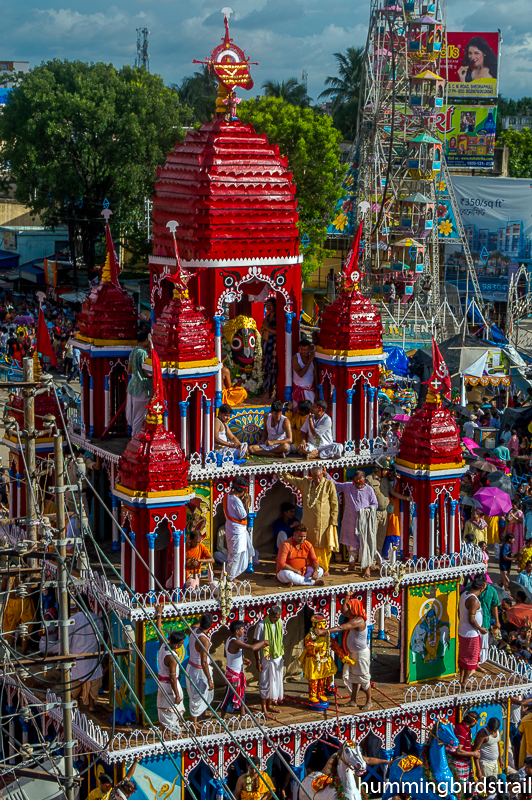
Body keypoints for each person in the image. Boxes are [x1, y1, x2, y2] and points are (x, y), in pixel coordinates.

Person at [281, 465, 339, 572]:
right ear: (311, 476)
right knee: (307, 544)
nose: (317, 479)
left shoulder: (329, 484)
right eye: (315, 477)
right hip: (308, 522)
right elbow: (293, 480)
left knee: (323, 545)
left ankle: (324, 569)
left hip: (324, 523)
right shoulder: (306, 483)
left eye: (319, 477)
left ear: (322, 474)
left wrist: (333, 521)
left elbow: (334, 504)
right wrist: (281, 472)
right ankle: (309, 567)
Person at [328, 595, 372, 711]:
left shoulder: (358, 620)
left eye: (350, 607)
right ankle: (353, 700)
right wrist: (347, 598)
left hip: (361, 654)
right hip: (353, 653)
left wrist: (324, 631)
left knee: (363, 678)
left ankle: (369, 701)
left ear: (355, 608)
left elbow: (342, 627)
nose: (348, 609)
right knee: (353, 677)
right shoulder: (353, 616)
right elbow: (343, 612)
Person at [333, 471, 378, 578]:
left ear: (364, 482)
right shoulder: (348, 486)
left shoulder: (369, 490)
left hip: (364, 524)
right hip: (350, 522)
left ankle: (366, 568)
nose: (359, 486)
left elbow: (375, 504)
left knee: (365, 545)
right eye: (357, 483)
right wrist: (326, 475)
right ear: (353, 481)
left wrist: (367, 510)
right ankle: (352, 565)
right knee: (351, 545)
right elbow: (335, 484)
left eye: (361, 483)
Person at [220, 620, 266, 718]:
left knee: (242, 694)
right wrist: (264, 642)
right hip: (233, 674)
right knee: (230, 696)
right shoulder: (235, 641)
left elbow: (227, 654)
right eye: (242, 629)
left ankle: (243, 713)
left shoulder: (229, 639)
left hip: (237, 672)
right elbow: (252, 647)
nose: (243, 631)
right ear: (237, 631)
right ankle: (222, 718)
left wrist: (242, 659)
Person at [69, 595, 105, 712]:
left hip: (77, 655)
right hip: (92, 655)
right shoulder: (96, 618)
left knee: (76, 681)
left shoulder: (73, 620)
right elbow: (101, 641)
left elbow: (67, 640)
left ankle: (78, 704)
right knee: (93, 680)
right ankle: (91, 705)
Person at [156, 622, 186, 734]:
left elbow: (158, 629)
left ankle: (165, 734)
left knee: (164, 710)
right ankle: (168, 734)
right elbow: (172, 679)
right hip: (170, 687)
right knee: (172, 711)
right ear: (177, 645)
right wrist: (177, 694)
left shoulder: (164, 645)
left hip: (162, 684)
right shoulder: (172, 658)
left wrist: (159, 615)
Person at [254, 605, 284, 714]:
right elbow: (255, 643)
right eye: (275, 617)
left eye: (278, 617)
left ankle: (270, 705)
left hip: (277, 657)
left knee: (275, 682)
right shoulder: (261, 625)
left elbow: (281, 639)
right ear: (270, 615)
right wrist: (257, 661)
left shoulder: (280, 623)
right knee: (265, 682)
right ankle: (264, 709)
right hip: (266, 658)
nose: (277, 619)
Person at [186, 613, 215, 726]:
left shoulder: (194, 630)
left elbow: (195, 625)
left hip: (191, 667)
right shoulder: (205, 641)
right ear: (210, 626)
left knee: (194, 695)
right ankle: (193, 723)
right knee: (198, 696)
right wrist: (209, 679)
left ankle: (195, 720)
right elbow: (204, 662)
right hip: (199, 671)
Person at [458, 576, 487, 687]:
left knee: (463, 656)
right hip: (471, 633)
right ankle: (464, 681)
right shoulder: (473, 600)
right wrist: (480, 629)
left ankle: (461, 679)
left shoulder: (464, 595)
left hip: (463, 630)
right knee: (470, 660)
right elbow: (471, 619)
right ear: (482, 588)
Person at [223, 477, 254, 581]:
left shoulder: (227, 496)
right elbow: (243, 516)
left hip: (230, 529)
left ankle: (231, 576)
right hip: (237, 532)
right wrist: (245, 503)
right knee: (236, 555)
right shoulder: (236, 500)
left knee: (232, 553)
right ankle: (230, 578)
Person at [126, 332, 151, 436]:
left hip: (133, 385)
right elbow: (146, 372)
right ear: (145, 340)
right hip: (142, 386)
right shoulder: (143, 353)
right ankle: (135, 437)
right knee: (140, 415)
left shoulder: (133, 351)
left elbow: (129, 370)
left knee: (133, 413)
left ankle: (134, 435)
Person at [367, 457, 392, 553]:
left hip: (384, 512)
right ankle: (371, 559)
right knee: (372, 536)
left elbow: (392, 492)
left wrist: (406, 498)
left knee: (381, 536)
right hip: (375, 513)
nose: (386, 472)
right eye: (385, 469)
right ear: (378, 469)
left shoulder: (385, 480)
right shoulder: (369, 479)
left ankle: (378, 557)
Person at [452, 711, 481, 787]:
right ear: (472, 721)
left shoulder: (466, 728)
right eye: (476, 721)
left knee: (469, 786)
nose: (476, 724)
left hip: (466, 762)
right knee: (462, 787)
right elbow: (458, 751)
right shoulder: (462, 730)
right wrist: (474, 753)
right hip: (460, 763)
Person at [260, 298, 277, 399]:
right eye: (267, 305)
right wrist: (264, 328)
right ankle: (265, 390)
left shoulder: (277, 318)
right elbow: (263, 328)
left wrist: (266, 328)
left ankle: (269, 391)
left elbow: (278, 332)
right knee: (265, 368)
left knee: (272, 369)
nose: (268, 307)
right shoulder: (267, 317)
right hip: (265, 346)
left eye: (270, 305)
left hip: (273, 347)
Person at [292, 339, 315, 405]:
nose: (306, 352)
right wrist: (310, 360)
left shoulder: (313, 358)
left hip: (310, 391)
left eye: (307, 349)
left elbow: (315, 376)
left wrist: (317, 393)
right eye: (304, 350)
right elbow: (301, 374)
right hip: (298, 390)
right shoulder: (295, 358)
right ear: (300, 349)